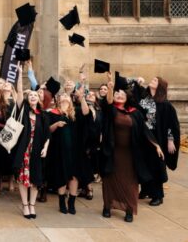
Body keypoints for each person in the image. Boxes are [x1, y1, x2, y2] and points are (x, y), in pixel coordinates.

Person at [100, 74, 165, 222]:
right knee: (110, 180)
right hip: (112, 152)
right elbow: (108, 102)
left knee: (130, 182)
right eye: (117, 94)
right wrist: (110, 87)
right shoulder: (111, 111)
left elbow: (144, 130)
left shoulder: (134, 113)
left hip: (130, 154)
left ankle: (129, 209)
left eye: (122, 94)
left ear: (127, 98)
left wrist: (156, 145)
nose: (119, 96)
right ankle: (107, 206)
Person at [133, 76, 181, 206]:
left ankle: (158, 195)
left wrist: (171, 140)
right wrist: (137, 84)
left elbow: (172, 124)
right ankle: (146, 190)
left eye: (155, 80)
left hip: (157, 138)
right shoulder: (145, 99)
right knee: (143, 163)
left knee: (155, 166)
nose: (151, 81)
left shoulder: (165, 104)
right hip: (143, 137)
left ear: (160, 86)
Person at [47, 91, 88, 214]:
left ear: (71, 99)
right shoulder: (52, 113)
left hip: (75, 150)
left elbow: (86, 112)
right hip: (59, 150)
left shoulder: (76, 112)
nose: (65, 97)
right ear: (58, 100)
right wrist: (56, 124)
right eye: (62, 96)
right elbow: (47, 130)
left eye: (67, 96)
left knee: (74, 176)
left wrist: (82, 98)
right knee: (62, 175)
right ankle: (61, 202)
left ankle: (71, 202)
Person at [11, 88, 50, 220]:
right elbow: (20, 96)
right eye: (30, 95)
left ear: (39, 99)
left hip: (37, 150)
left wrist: (45, 147)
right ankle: (25, 204)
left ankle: (32, 204)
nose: (33, 97)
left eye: (35, 95)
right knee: (23, 178)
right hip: (24, 150)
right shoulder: (23, 112)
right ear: (28, 99)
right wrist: (21, 75)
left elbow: (47, 134)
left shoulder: (43, 115)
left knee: (35, 179)